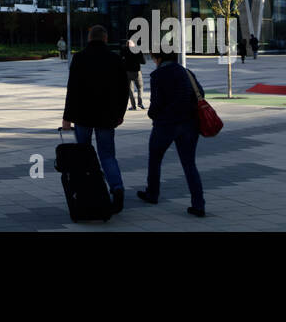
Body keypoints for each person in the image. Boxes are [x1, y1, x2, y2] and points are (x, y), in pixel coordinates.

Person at [59, 25, 130, 214]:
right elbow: (124, 90)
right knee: (107, 155)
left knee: (83, 154)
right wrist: (120, 114)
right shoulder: (115, 59)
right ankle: (117, 188)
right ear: (105, 39)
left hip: (82, 116)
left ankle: (85, 190)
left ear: (89, 38)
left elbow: (71, 89)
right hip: (107, 117)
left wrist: (67, 118)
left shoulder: (79, 58)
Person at [137, 48, 206, 217]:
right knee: (189, 164)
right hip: (190, 124)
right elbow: (201, 94)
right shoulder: (186, 72)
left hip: (165, 125)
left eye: (154, 57)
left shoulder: (158, 75)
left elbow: (156, 103)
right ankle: (198, 205)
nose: (153, 60)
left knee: (155, 158)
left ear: (159, 58)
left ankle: (152, 193)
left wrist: (152, 114)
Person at [122, 37, 145, 110]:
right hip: (137, 72)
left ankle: (133, 105)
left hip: (127, 72)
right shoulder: (137, 50)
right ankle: (140, 103)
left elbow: (120, 60)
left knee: (130, 90)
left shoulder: (124, 50)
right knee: (140, 88)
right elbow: (143, 62)